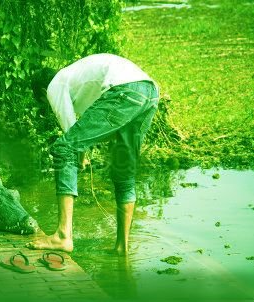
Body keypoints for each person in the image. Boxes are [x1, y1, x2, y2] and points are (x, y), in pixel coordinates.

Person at [26, 53, 159, 254]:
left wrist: (80, 155)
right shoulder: (76, 80)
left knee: (63, 149)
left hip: (124, 89)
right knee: (123, 172)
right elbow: (94, 128)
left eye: (45, 103)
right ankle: (122, 247)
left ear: (44, 91)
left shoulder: (55, 84)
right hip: (149, 91)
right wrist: (82, 153)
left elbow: (70, 133)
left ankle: (63, 236)